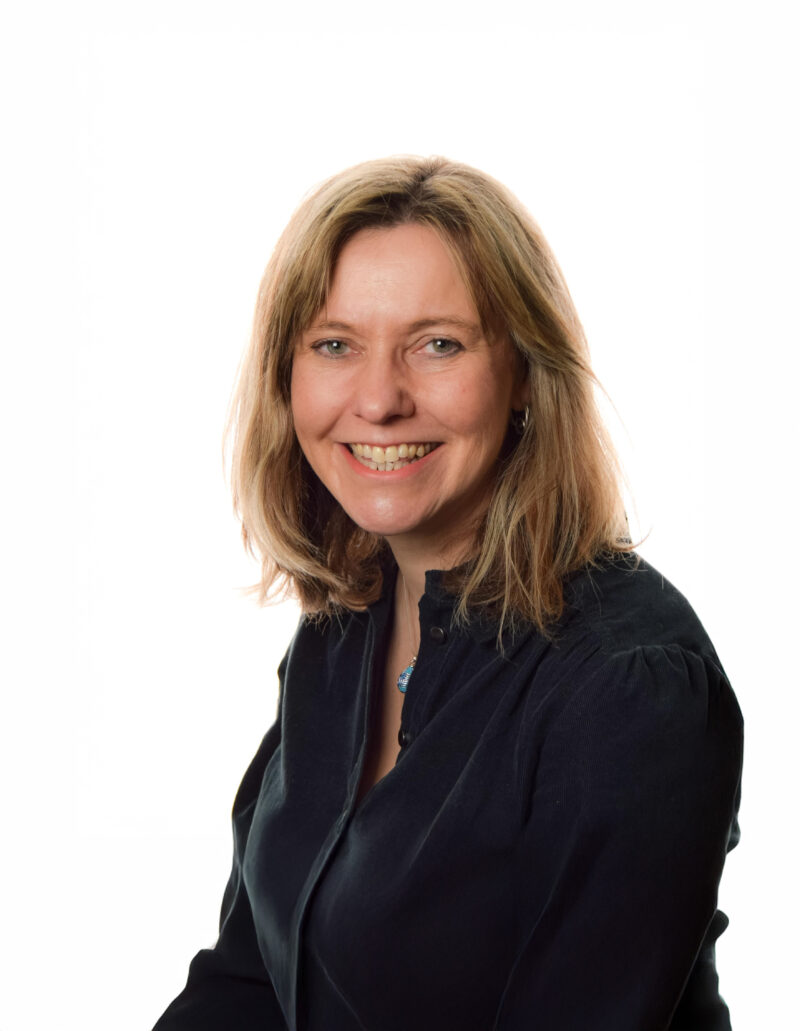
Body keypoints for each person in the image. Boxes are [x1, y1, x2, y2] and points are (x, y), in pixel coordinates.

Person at [153, 156, 743, 1030]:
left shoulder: (630, 687)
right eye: (335, 344)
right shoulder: (343, 625)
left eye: (438, 344)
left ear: (525, 380)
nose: (380, 399)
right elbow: (251, 982)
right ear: (289, 379)